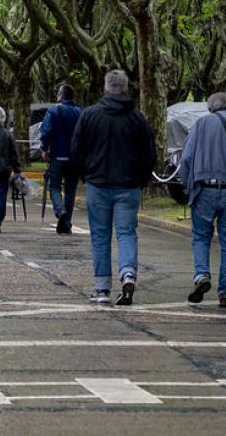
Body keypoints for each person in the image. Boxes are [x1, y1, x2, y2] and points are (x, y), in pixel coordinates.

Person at [71, 70, 156, 306]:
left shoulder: (90, 115)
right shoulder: (137, 118)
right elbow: (149, 154)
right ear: (126, 89)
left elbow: (77, 149)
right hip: (128, 186)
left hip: (98, 184)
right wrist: (141, 178)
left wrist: (85, 175)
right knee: (127, 233)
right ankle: (128, 273)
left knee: (100, 235)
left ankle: (102, 288)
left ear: (105, 88)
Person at [179, 92, 226, 308]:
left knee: (201, 236)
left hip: (204, 188)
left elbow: (186, 158)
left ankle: (202, 275)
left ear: (211, 107)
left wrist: (187, 185)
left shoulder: (200, 124)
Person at [39, 84, 84, 234]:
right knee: (70, 190)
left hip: (58, 155)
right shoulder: (80, 111)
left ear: (59, 95)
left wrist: (44, 148)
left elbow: (46, 131)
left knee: (54, 186)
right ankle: (67, 222)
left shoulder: (54, 110)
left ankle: (60, 211)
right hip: (75, 157)